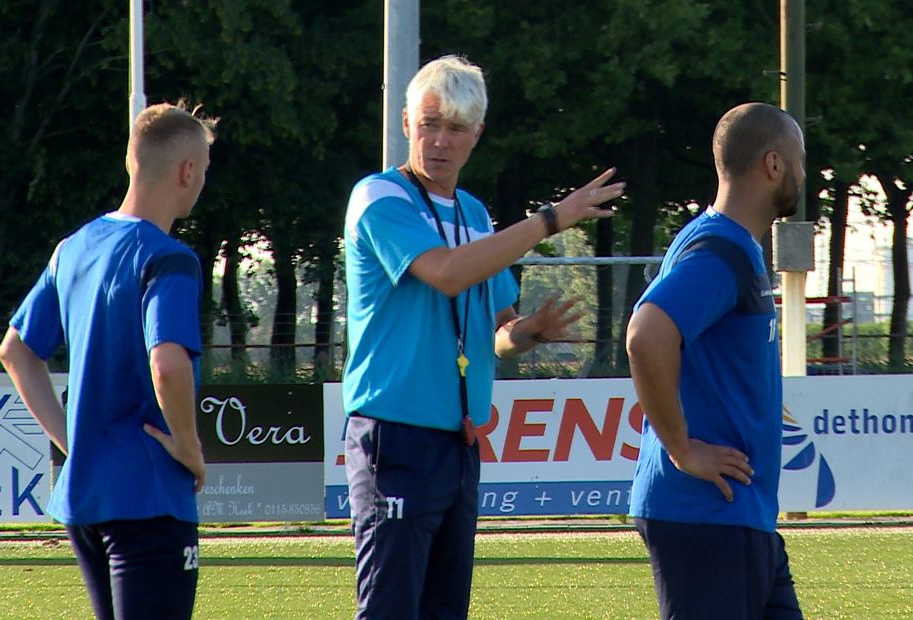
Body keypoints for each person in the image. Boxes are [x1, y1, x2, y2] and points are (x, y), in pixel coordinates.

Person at [342, 54, 624, 619]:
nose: (439, 141)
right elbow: (447, 274)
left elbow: (496, 336)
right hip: (394, 434)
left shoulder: (474, 212)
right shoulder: (379, 197)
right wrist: (551, 219)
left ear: (477, 135)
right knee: (391, 607)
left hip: (459, 440)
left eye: (454, 128)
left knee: (446, 608)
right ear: (404, 123)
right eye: (428, 124)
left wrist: (528, 333)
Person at [0, 101, 216, 620]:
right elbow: (166, 363)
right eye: (204, 170)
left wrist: (73, 443)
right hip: (150, 495)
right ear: (188, 172)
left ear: (129, 162)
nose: (203, 181)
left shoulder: (72, 249)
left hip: (86, 497)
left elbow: (16, 351)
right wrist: (189, 447)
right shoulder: (169, 258)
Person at [624, 102, 805, 619]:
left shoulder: (728, 245)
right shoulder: (720, 252)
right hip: (707, 515)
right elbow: (646, 333)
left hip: (740, 516)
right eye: (799, 158)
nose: (802, 172)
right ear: (773, 165)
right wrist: (680, 449)